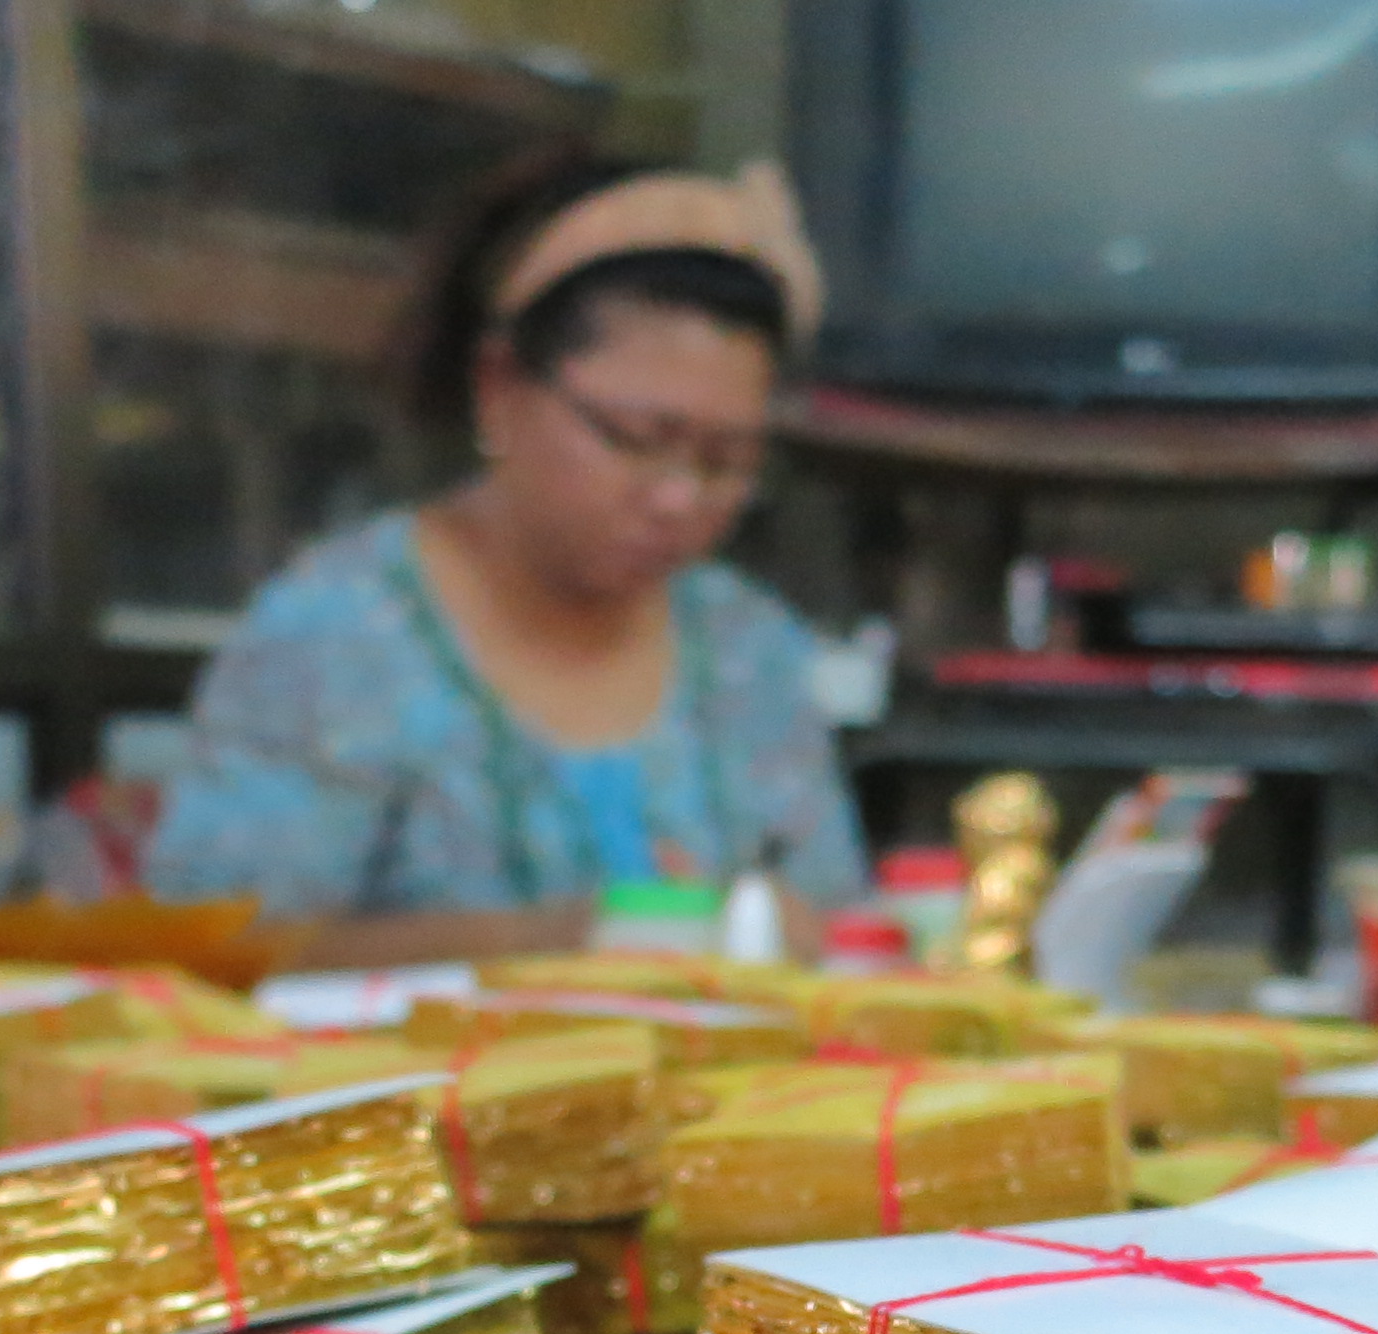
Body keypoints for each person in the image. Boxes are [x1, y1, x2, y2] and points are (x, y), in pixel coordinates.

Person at [141, 157, 868, 962]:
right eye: (636, 438)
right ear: (498, 386)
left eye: (726, 460)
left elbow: (834, 919)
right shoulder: (336, 635)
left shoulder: (746, 647)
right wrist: (535, 942)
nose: (677, 497)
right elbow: (210, 951)